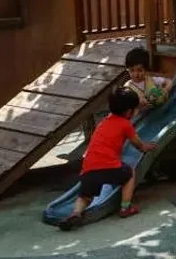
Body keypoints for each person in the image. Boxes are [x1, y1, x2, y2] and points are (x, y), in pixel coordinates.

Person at [57, 88, 158, 231]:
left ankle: (76, 213)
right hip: (109, 167)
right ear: (129, 112)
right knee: (129, 173)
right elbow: (137, 144)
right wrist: (145, 147)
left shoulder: (104, 122)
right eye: (135, 109)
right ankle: (125, 207)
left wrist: (138, 105)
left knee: (85, 197)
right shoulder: (126, 124)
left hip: (88, 169)